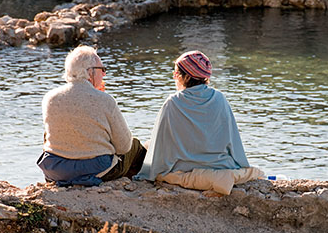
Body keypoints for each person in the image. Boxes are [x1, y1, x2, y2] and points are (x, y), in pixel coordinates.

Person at [136, 51, 262, 194]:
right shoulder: (220, 99)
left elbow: (161, 147)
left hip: (183, 168)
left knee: (147, 146)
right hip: (220, 165)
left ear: (187, 77)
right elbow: (233, 143)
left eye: (176, 73)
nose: (174, 76)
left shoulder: (173, 103)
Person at [37, 45, 146, 187]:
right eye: (102, 70)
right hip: (96, 169)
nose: (104, 74)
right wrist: (100, 95)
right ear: (90, 72)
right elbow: (124, 146)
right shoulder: (105, 100)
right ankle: (135, 185)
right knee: (135, 145)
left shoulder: (49, 98)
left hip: (57, 170)